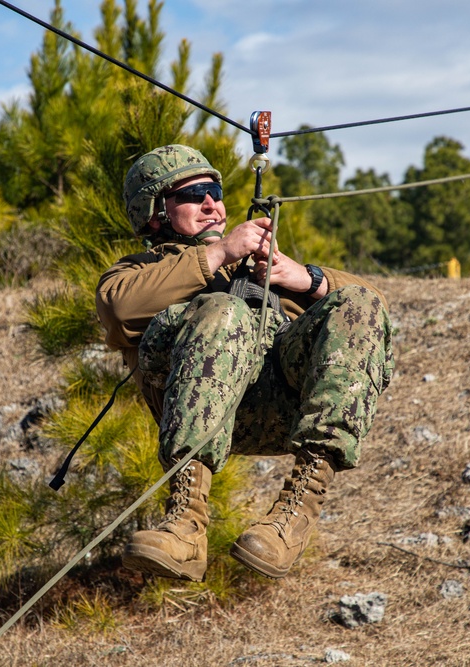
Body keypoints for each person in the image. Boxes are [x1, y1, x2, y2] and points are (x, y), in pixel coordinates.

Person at [95, 144, 394, 581]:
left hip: (277, 406)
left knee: (357, 303)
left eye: (214, 190)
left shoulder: (260, 270)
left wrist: (307, 280)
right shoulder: (137, 273)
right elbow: (120, 310)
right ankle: (185, 523)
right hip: (196, 412)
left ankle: (294, 516)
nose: (212, 204)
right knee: (222, 309)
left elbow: (374, 312)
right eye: (194, 193)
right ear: (155, 211)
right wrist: (218, 255)